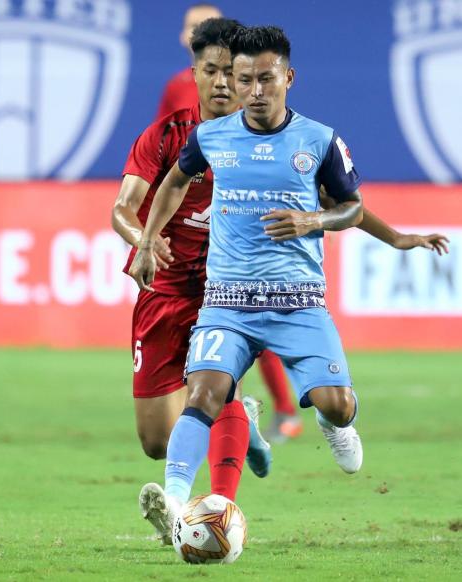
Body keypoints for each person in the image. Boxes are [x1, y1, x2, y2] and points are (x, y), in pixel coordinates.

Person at [129, 24, 447, 539]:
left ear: (288, 78)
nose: (255, 91)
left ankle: (332, 422)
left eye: (267, 79)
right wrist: (148, 239)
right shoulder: (210, 137)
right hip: (226, 303)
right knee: (202, 396)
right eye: (245, 79)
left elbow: (350, 207)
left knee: (335, 403)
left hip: (297, 305)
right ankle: (174, 501)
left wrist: (316, 222)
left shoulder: (318, 140)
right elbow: (173, 184)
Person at [111, 18, 274, 545]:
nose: (223, 82)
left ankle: (211, 512)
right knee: (156, 441)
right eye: (212, 71)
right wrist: (143, 239)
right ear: (195, 73)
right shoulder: (165, 137)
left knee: (212, 389)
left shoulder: (266, 142)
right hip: (164, 291)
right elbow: (122, 210)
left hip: (225, 291)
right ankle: (239, 420)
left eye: (233, 72)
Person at [156, 5, 304, 438]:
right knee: (215, 326)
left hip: (242, 213)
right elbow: (167, 149)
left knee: (255, 315)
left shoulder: (247, 83)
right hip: (195, 218)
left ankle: (282, 409)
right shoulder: (176, 87)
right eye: (187, 26)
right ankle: (227, 414)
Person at [154, 4, 221, 119]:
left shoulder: (244, 82)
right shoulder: (176, 85)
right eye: (195, 26)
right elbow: (163, 135)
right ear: (183, 36)